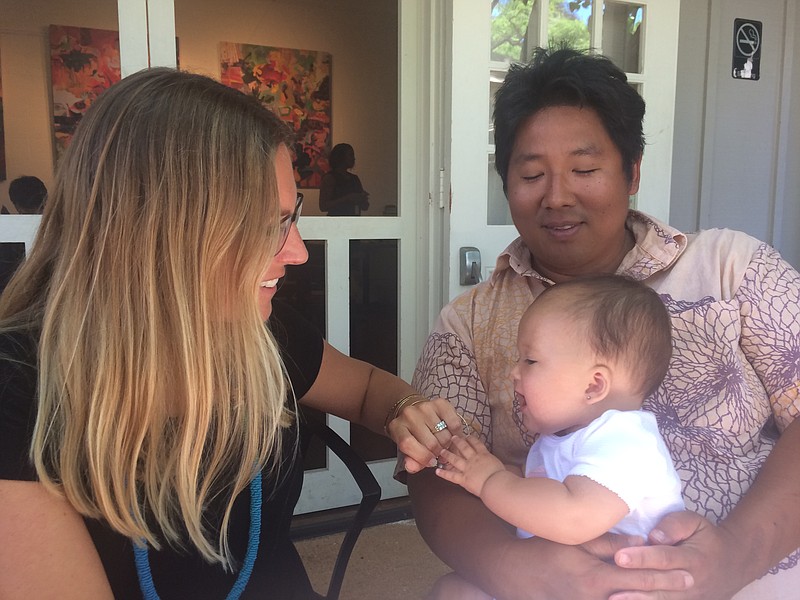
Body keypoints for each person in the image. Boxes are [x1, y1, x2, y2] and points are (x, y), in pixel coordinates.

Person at [0, 67, 457, 599]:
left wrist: (408, 407)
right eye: (268, 226)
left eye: (292, 217)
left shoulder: (255, 328)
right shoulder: (19, 392)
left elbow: (365, 388)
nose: (299, 252)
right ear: (160, 232)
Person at [388, 47, 800, 599]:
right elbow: (438, 472)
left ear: (632, 173)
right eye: (532, 174)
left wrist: (736, 556)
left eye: (584, 169)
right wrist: (512, 567)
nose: (557, 196)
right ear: (506, 182)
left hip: (758, 565)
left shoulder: (732, 268)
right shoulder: (467, 324)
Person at [433, 275, 685, 598]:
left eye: (530, 360)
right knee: (452, 590)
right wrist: (485, 467)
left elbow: (574, 516)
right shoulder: (560, 438)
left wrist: (490, 481)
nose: (514, 372)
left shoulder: (627, 440)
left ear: (594, 386)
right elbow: (538, 492)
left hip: (618, 584)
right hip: (555, 580)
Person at [318, 142, 369, 215]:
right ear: (341, 157)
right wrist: (347, 198)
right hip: (336, 222)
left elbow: (365, 207)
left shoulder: (354, 178)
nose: (354, 158)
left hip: (353, 221)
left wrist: (362, 198)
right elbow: (323, 206)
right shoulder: (330, 178)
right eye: (350, 155)